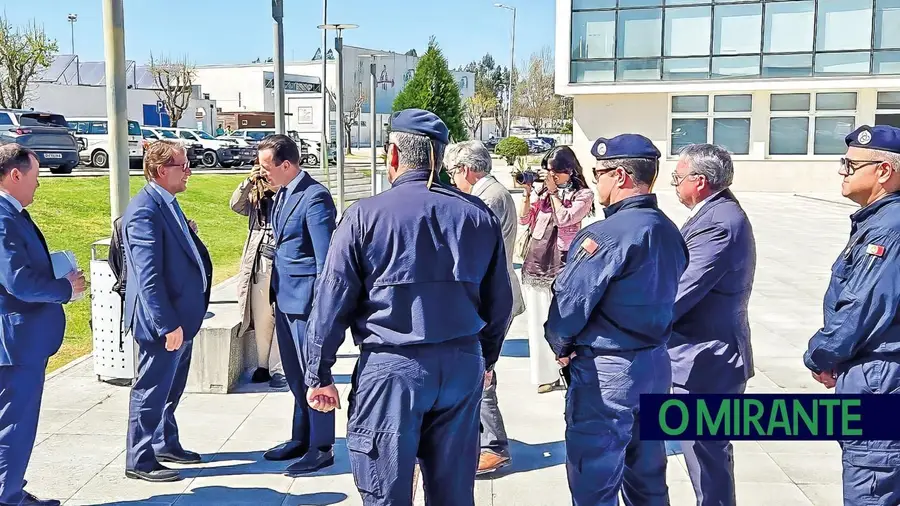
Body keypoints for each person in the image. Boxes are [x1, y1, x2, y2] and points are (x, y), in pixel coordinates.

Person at [302, 109, 513, 505]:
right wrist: (485, 359)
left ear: (393, 156)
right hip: (460, 363)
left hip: (392, 368)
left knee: (386, 492)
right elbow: (499, 302)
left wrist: (318, 371)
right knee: (453, 493)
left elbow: (331, 300)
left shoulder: (365, 215)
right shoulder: (478, 215)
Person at [544, 134, 688, 506]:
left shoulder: (605, 235)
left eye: (599, 173)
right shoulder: (669, 229)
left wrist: (560, 347)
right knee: (648, 478)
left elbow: (568, 306)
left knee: (594, 479)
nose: (596, 181)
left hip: (610, 373)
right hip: (656, 366)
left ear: (620, 176)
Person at [804, 125, 900, 506]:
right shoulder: (878, 221)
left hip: (879, 374)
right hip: (875, 370)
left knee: (872, 483)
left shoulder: (888, 231)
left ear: (883, 171)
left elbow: (862, 307)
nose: (842, 172)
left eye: (850, 164)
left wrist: (822, 355)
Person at [669, 144, 756, 506]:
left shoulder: (719, 223)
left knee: (708, 462)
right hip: (702, 357)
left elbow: (679, 292)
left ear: (699, 181)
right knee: (704, 456)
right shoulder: (715, 213)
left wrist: (626, 319)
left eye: (678, 177)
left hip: (708, 361)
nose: (674, 184)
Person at [122, 140, 214, 482]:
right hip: (164, 323)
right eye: (183, 165)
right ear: (162, 171)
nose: (189, 171)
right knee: (151, 388)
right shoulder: (145, 211)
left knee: (170, 388)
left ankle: (164, 442)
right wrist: (167, 325)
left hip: (182, 319)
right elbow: (148, 278)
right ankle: (140, 458)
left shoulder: (167, 203)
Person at [0, 145, 85, 506]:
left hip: (20, 338)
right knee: (14, 424)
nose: (38, 185)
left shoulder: (12, 213)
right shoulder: (3, 217)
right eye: (35, 177)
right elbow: (17, 281)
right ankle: (8, 497)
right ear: (15, 174)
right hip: (17, 341)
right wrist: (65, 288)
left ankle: (10, 488)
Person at [257, 134, 337, 475]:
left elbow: (326, 262)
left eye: (266, 167)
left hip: (306, 304)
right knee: (294, 373)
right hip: (285, 297)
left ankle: (321, 446)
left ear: (287, 165)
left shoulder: (315, 197)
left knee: (314, 373)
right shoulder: (282, 194)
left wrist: (322, 310)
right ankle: (301, 437)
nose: (262, 173)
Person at [445, 140, 525, 475]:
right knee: (478, 369)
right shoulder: (491, 193)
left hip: (491, 299)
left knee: (481, 370)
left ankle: (494, 445)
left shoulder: (487, 197)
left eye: (453, 173)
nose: (452, 181)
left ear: (466, 169)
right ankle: (485, 440)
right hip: (491, 296)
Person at [518, 146, 594, 393]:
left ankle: (566, 366)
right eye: (547, 171)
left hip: (562, 260)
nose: (550, 176)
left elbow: (565, 219)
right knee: (537, 318)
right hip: (537, 259)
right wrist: (529, 194)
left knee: (562, 318)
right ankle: (544, 375)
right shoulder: (544, 191)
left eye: (555, 172)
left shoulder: (583, 194)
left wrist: (554, 194)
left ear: (569, 171)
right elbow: (525, 220)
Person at [230, 166, 287, 389]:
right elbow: (236, 205)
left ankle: (279, 368)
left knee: (282, 315)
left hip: (283, 261)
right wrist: (250, 181)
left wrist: (278, 186)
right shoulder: (255, 193)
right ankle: (262, 365)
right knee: (262, 316)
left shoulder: (289, 192)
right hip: (261, 260)